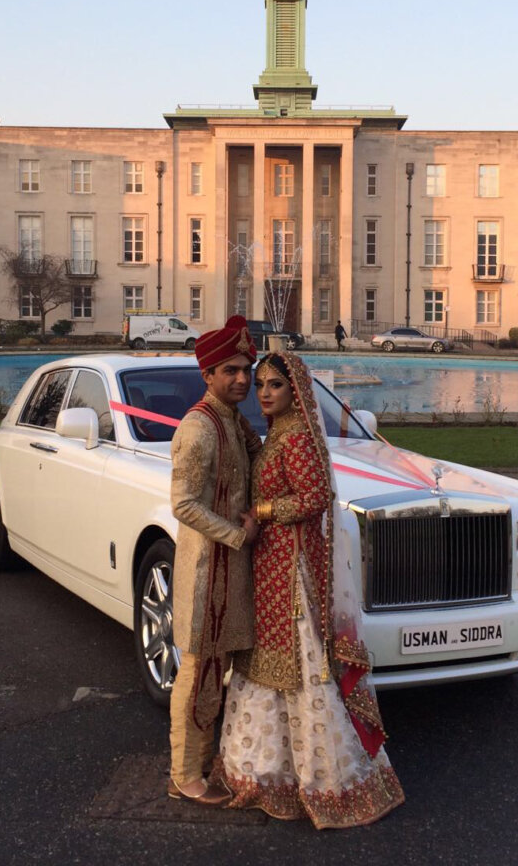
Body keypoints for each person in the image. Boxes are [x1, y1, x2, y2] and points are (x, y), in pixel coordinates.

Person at [218, 350, 405, 829]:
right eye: (261, 384)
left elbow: (316, 497)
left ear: (296, 390)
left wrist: (262, 513)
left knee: (301, 663)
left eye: (275, 385)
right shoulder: (276, 433)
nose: (264, 392)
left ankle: (325, 779)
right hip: (270, 562)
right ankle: (267, 770)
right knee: (267, 662)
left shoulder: (298, 437)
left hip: (291, 568)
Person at [168, 316, 262, 806]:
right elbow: (183, 504)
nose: (242, 379)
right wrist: (238, 535)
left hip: (229, 570)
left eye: (247, 370)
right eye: (231, 370)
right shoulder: (199, 427)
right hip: (207, 571)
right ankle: (185, 776)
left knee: (215, 668)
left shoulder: (230, 420)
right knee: (198, 670)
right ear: (207, 374)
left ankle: (203, 765)